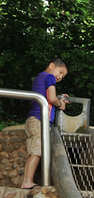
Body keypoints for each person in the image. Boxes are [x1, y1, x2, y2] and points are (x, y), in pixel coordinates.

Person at [21, 58, 69, 190]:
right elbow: (51, 99)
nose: (59, 76)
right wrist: (60, 104)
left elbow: (47, 96)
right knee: (37, 151)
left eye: (62, 76)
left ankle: (27, 180)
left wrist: (59, 98)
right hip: (39, 119)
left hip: (33, 118)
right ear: (51, 65)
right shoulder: (49, 77)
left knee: (35, 151)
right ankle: (27, 182)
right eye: (59, 72)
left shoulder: (40, 78)